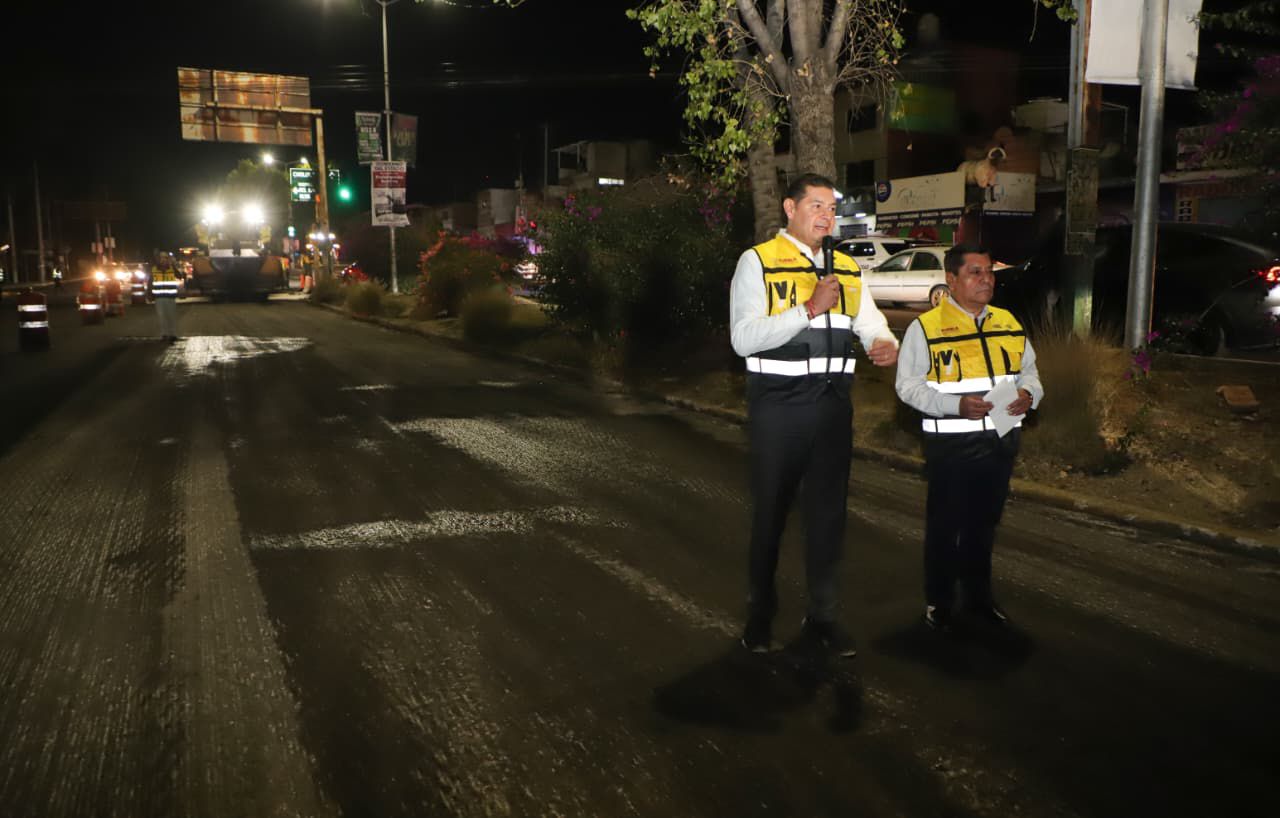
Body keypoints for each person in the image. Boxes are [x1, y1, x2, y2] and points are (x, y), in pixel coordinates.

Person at [730, 173, 900, 657]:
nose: (826, 216)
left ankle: (823, 618)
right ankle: (759, 618)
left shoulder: (846, 267)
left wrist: (884, 342)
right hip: (778, 409)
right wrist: (808, 308)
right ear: (790, 208)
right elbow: (743, 339)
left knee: (827, 519)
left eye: (831, 208)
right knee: (771, 516)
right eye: (816, 206)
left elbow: (871, 323)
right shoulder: (758, 261)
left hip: (832, 410)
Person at [894, 243, 1044, 632]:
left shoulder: (1007, 321)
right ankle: (940, 603)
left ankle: (979, 599)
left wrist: (1030, 395)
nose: (986, 279)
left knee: (983, 526)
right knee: (946, 527)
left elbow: (1029, 372)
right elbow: (907, 387)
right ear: (952, 280)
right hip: (952, 447)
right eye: (975, 272)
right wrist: (954, 405)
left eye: (989, 272)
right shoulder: (925, 328)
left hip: (1001, 441)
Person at [150, 253, 181, 342]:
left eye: (165, 258)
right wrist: (149, 294)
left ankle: (173, 334)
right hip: (159, 297)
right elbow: (150, 282)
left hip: (170, 297)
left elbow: (180, 276)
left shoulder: (172, 268)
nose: (163, 260)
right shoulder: (154, 269)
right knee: (161, 317)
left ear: (168, 259)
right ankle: (164, 334)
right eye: (161, 258)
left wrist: (173, 266)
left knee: (171, 316)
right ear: (159, 259)